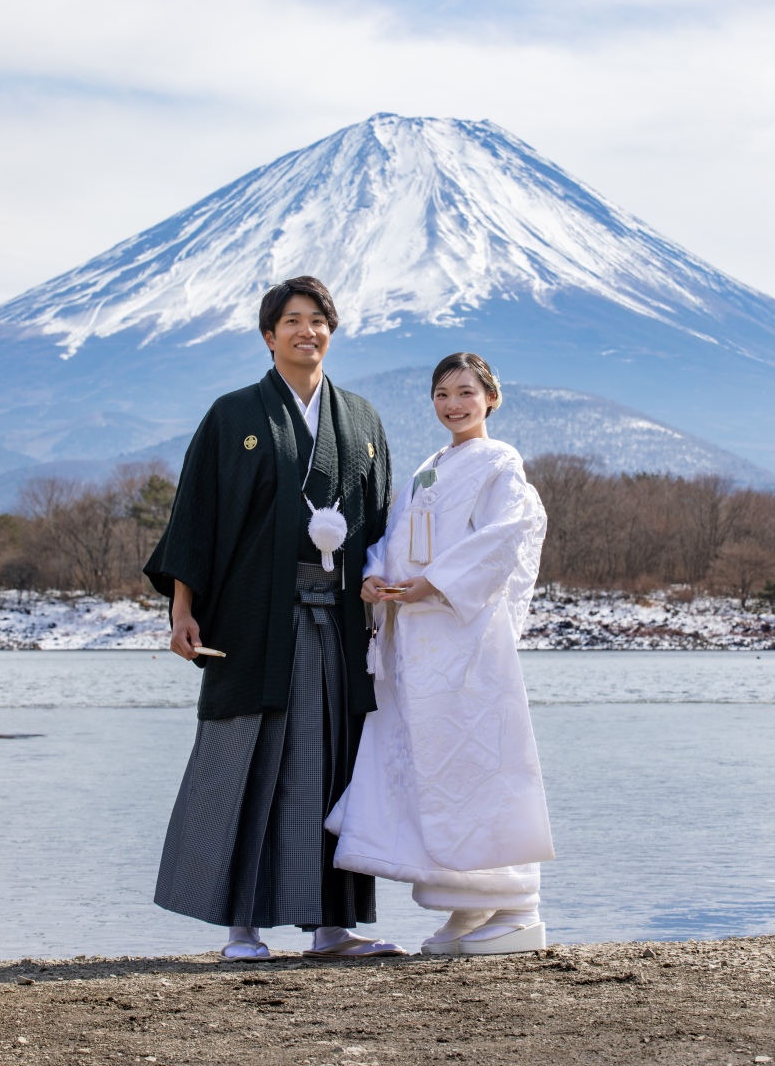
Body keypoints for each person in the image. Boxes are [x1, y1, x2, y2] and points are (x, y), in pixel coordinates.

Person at [144, 277, 405, 960]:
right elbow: (195, 519)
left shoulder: (363, 421)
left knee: (334, 765)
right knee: (248, 765)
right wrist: (182, 610)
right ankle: (242, 927)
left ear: (332, 332)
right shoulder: (233, 416)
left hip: (340, 622)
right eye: (291, 321)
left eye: (318, 321)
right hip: (256, 621)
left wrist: (388, 607)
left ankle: (332, 926)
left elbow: (380, 530)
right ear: (268, 336)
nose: (306, 332)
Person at [326, 352, 554, 956]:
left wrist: (438, 583)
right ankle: (466, 900)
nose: (453, 405)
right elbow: (393, 538)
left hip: (464, 637)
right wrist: (374, 579)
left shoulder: (500, 461)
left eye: (465, 393)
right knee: (435, 764)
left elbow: (506, 534)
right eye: (442, 395)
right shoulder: (430, 466)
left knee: (477, 759)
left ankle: (515, 902)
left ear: (491, 398)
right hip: (415, 638)